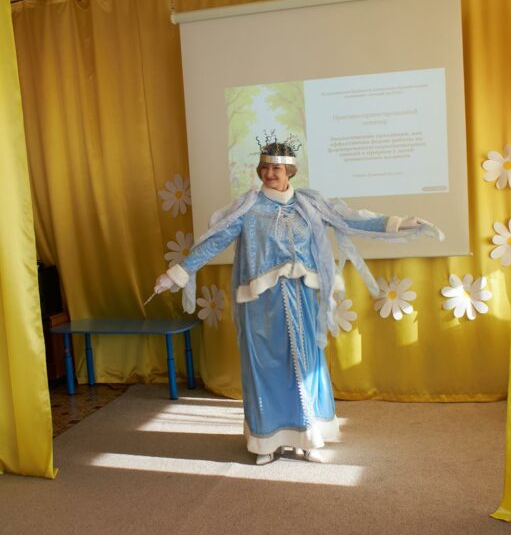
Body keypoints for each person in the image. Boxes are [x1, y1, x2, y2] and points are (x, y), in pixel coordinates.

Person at [154, 135, 440, 465]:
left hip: (303, 297)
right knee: (265, 369)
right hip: (261, 305)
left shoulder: (309, 204)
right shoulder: (248, 208)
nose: (269, 174)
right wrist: (178, 273)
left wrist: (401, 223)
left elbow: (351, 218)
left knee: (307, 365)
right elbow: (213, 242)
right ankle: (266, 442)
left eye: (276, 168)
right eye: (264, 168)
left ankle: (308, 438)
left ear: (290, 171)